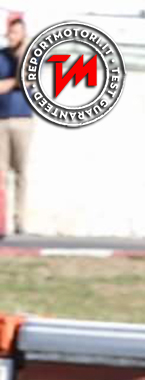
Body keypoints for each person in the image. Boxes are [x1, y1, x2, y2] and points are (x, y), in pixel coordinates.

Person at [0, 13, 32, 237]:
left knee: (21, 172)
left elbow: (26, 80)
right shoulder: (1, 56)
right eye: (10, 32)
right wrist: (14, 83)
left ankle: (20, 220)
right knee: (1, 173)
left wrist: (23, 52)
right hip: (1, 120)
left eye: (17, 32)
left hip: (22, 120)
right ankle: (1, 219)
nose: (12, 36)